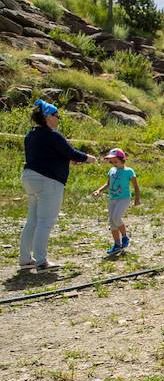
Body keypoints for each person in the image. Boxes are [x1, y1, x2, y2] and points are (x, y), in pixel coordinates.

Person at [18, 100, 97, 273]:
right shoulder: (53, 135)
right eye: (56, 115)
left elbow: (47, 156)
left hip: (30, 178)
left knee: (33, 220)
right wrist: (89, 158)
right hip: (48, 181)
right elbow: (71, 152)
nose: (58, 119)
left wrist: (68, 161)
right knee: (45, 222)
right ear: (47, 116)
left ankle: (25, 258)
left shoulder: (31, 135)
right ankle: (41, 261)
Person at [92, 148, 140, 254]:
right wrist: (99, 190)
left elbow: (136, 186)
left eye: (115, 161)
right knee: (112, 222)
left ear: (122, 160)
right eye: (111, 162)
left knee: (116, 217)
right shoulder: (112, 171)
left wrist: (137, 199)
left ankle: (125, 237)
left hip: (124, 198)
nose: (113, 164)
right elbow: (108, 184)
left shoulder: (129, 171)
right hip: (112, 198)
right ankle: (117, 244)